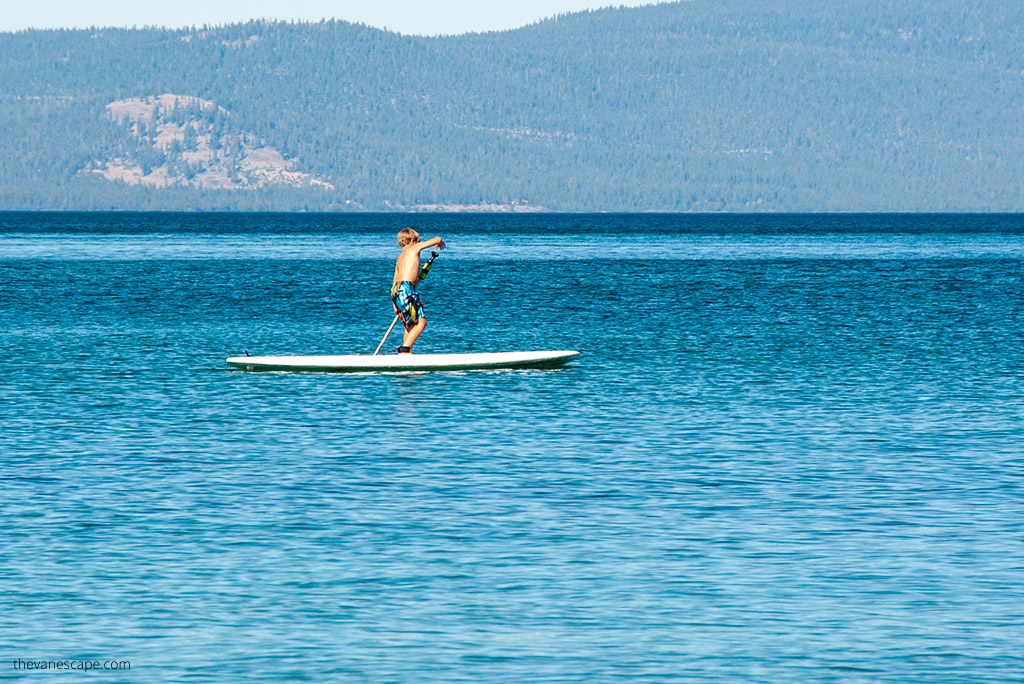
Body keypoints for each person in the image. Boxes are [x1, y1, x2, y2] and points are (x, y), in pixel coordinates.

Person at [391, 228, 446, 354]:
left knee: (411, 325)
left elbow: (395, 280)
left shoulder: (400, 258)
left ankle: (406, 352)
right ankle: (405, 348)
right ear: (412, 241)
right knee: (422, 322)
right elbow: (436, 239)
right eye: (418, 241)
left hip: (396, 290)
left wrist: (394, 303)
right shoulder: (413, 248)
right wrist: (440, 242)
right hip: (406, 288)